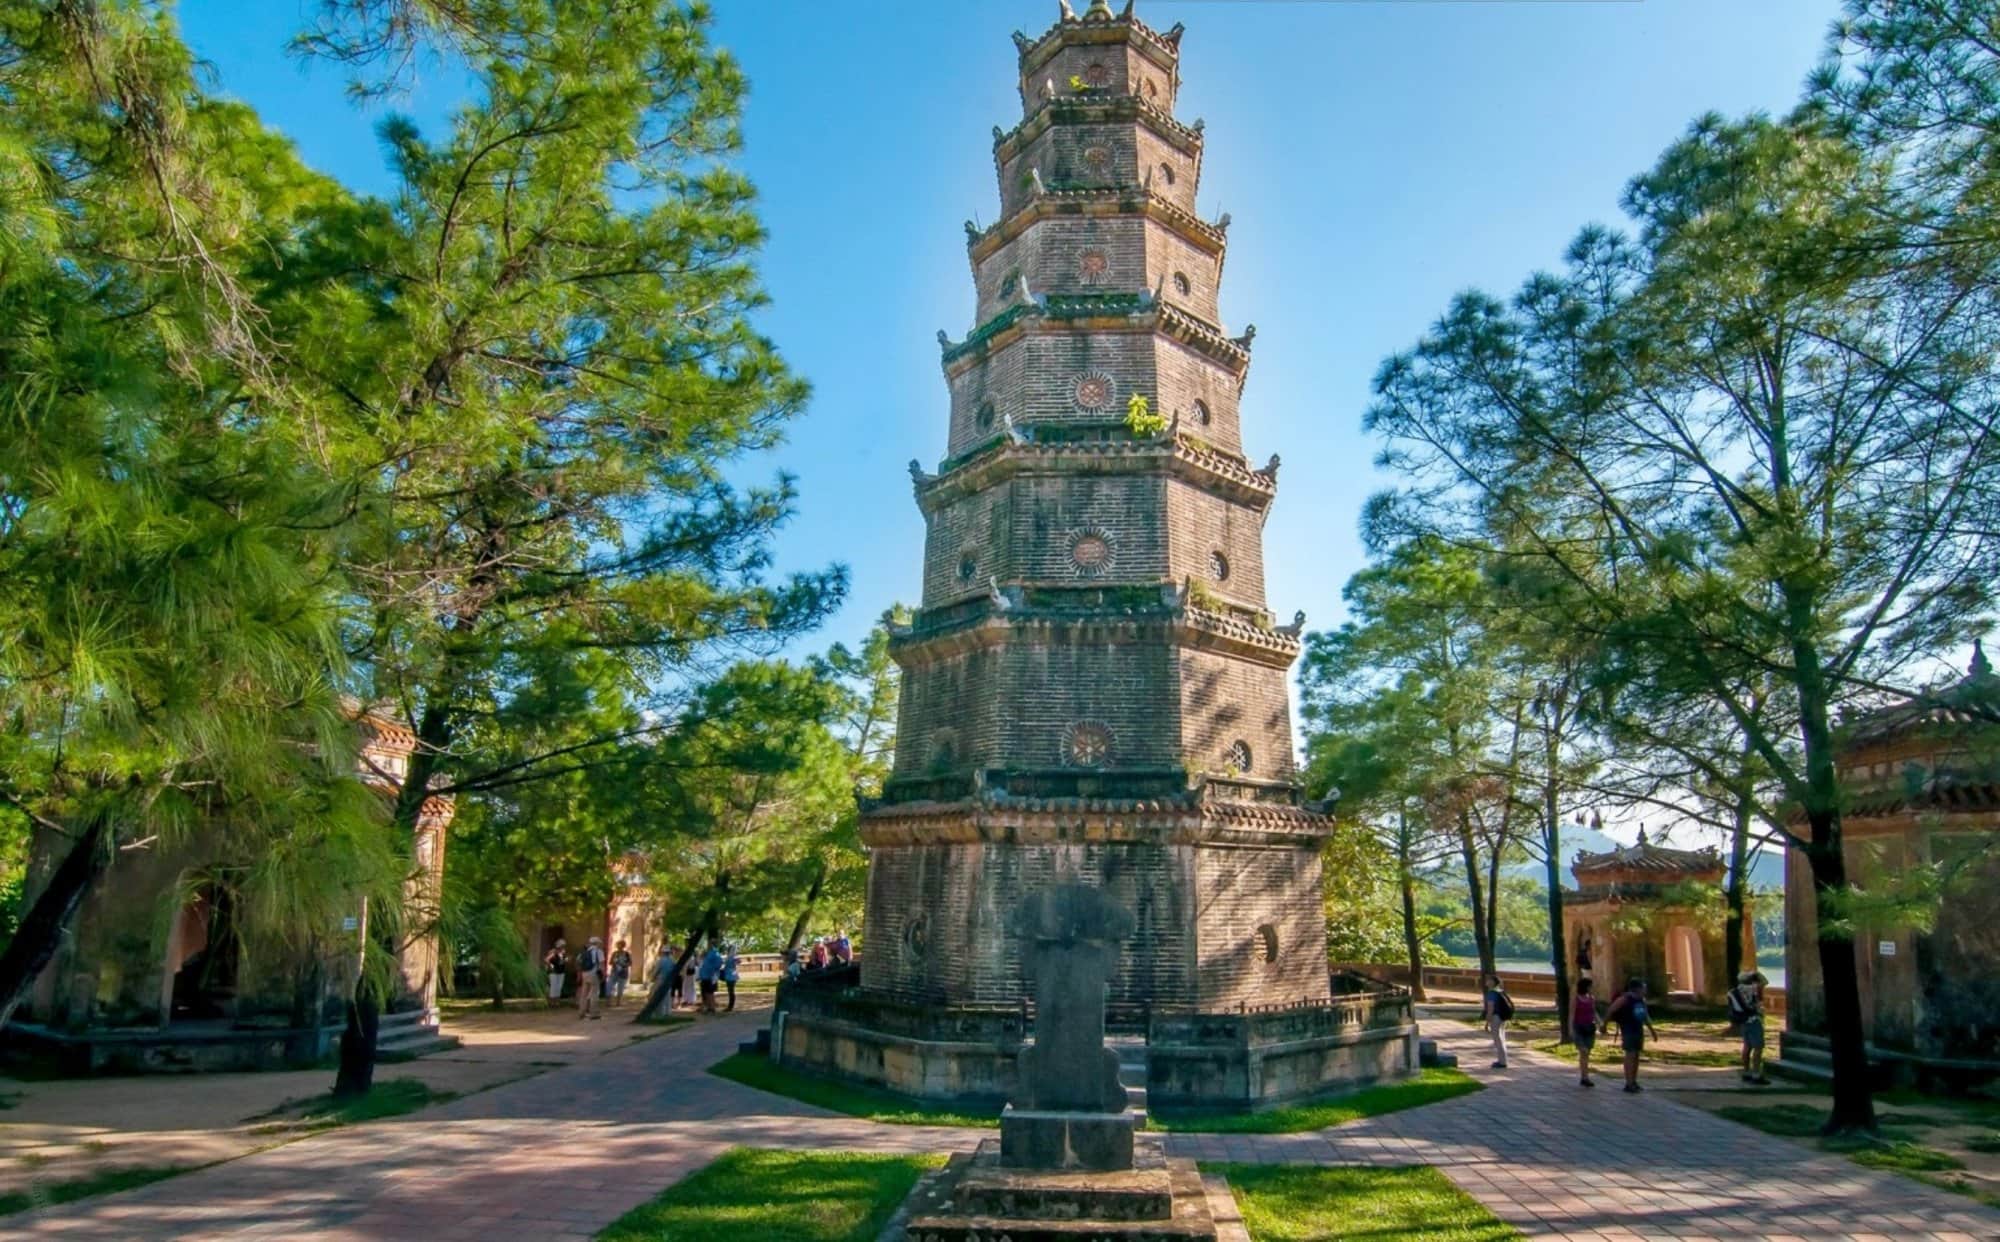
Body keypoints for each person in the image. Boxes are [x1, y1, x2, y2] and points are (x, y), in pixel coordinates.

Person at [1603, 976, 1660, 1093]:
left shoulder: (1641, 1000)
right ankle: (1628, 1083)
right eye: (1643, 987)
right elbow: (1611, 1010)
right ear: (1637, 988)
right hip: (1628, 1030)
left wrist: (1652, 1031)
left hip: (1638, 1030)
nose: (1645, 990)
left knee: (1636, 1056)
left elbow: (1645, 1016)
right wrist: (1604, 1025)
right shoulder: (1624, 999)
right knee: (1630, 1055)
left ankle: (1634, 1081)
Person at [1729, 969, 1770, 1084]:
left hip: (1743, 1021)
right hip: (1754, 1020)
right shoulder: (1753, 989)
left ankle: (1746, 1072)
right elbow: (1765, 981)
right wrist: (1756, 973)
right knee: (1758, 1047)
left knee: (1747, 1046)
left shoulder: (1733, 992)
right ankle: (1756, 1074)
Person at [1481, 974, 1514, 1069]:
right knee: (1502, 1038)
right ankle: (1503, 1060)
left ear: (1492, 982)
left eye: (1488, 980)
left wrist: (1488, 1020)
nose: (1486, 981)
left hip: (1496, 1017)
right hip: (1502, 1017)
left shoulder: (1491, 993)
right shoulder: (1500, 991)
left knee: (1497, 1039)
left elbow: (1490, 1007)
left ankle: (1502, 1062)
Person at [1572, 977, 1599, 1088]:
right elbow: (1571, 1014)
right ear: (1585, 987)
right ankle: (1584, 1077)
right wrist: (1570, 1029)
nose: (1592, 988)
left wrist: (1600, 1023)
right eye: (1590, 986)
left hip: (1589, 1028)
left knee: (1586, 1053)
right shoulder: (1576, 999)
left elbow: (1594, 1012)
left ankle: (1585, 1077)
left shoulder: (1591, 998)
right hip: (1579, 1027)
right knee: (1583, 1051)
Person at [574, 935, 604, 1020]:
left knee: (584, 994)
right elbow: (601, 964)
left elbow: (578, 962)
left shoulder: (585, 952)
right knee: (594, 993)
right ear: (597, 943)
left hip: (585, 973)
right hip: (594, 973)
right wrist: (603, 974)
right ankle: (594, 1013)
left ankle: (581, 1012)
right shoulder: (599, 951)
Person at [697, 942, 724, 1013]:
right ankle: (709, 1007)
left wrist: (712, 970)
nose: (708, 945)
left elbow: (719, 963)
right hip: (705, 976)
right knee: (706, 992)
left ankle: (712, 1008)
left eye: (710, 944)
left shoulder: (715, 953)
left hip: (709, 976)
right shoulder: (710, 953)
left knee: (710, 992)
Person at [543, 939, 568, 1007]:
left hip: (561, 971)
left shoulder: (563, 952)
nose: (563, 947)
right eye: (562, 945)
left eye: (563, 945)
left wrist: (565, 960)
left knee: (559, 987)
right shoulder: (553, 952)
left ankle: (556, 1001)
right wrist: (552, 966)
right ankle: (551, 1002)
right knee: (553, 987)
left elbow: (563, 960)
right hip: (554, 972)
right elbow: (546, 960)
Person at [608, 940, 633, 1006]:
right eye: (618, 945)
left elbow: (630, 963)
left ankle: (618, 1002)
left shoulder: (627, 954)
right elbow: (610, 962)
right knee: (610, 987)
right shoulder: (614, 953)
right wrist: (614, 963)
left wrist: (624, 965)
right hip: (614, 972)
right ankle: (609, 1002)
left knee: (620, 988)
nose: (619, 946)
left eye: (620, 945)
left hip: (623, 973)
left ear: (623, 946)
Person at [722, 944, 740, 1012]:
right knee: (730, 991)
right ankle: (730, 1006)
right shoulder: (728, 956)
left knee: (731, 991)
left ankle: (730, 1006)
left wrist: (736, 961)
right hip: (729, 975)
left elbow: (738, 962)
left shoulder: (734, 957)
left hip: (731, 976)